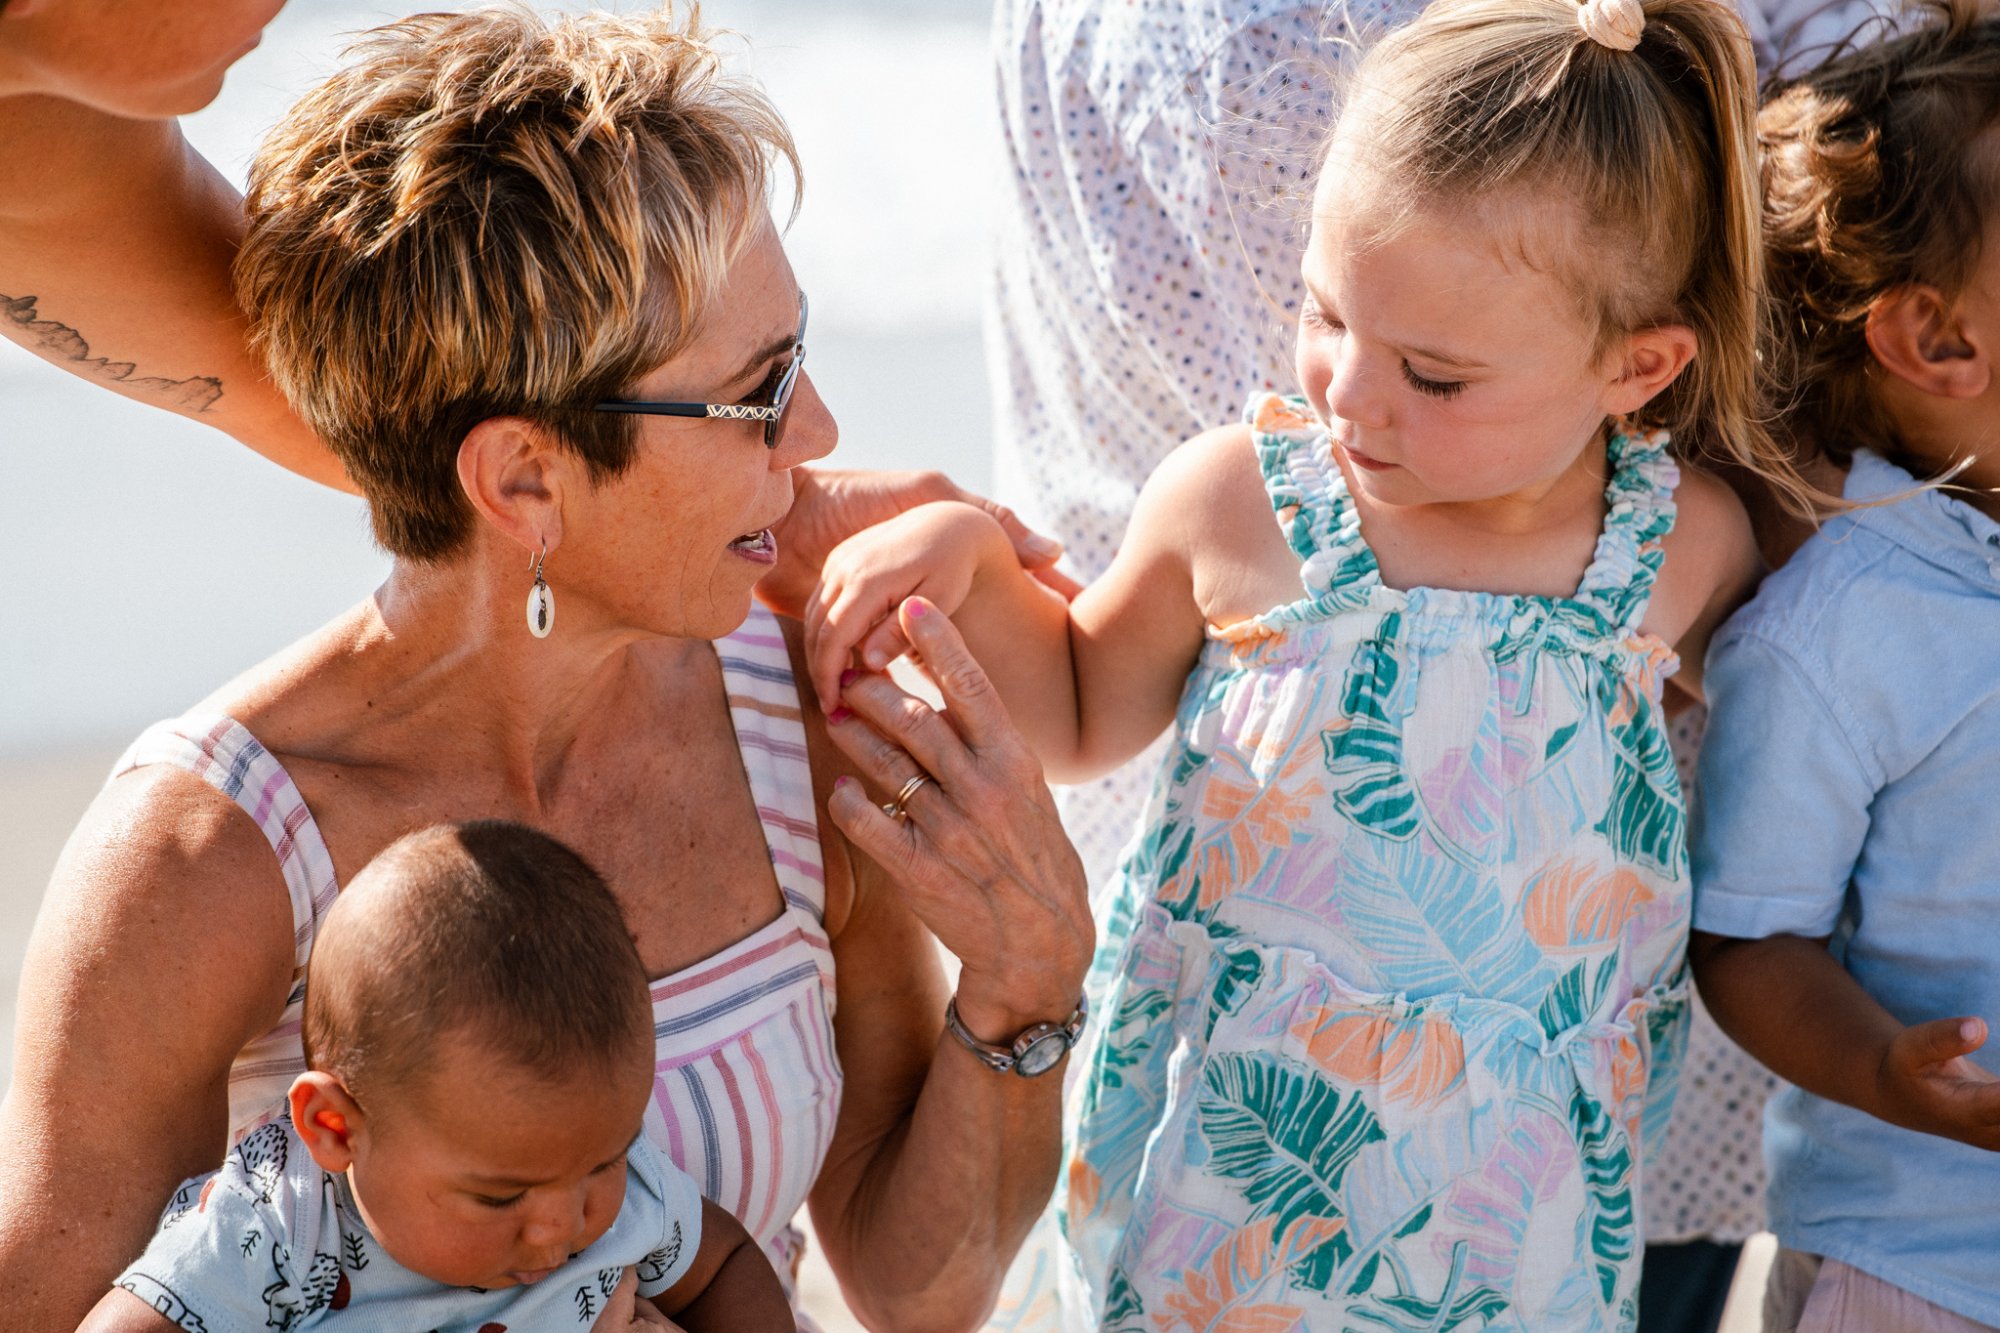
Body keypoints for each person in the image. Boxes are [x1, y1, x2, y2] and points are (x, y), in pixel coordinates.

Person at [0, 9, 1095, 1329]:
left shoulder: (789, 711)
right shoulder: (204, 859)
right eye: (761, 388)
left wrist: (1024, 995)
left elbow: (921, 1292)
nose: (819, 430)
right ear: (525, 476)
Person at [806, 0, 1836, 1318]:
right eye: (1324, 314)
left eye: (1435, 377)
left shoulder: (1682, 550)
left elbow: (1799, 742)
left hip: (1513, 1224)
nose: (1348, 393)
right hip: (1227, 1193)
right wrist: (959, 554)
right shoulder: (1244, 504)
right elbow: (1077, 708)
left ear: (1637, 367)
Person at [1690, 4, 2000, 1327]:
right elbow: (1750, 935)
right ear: (1937, 342)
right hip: (1917, 1265)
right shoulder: (1840, 624)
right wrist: (1884, 1067)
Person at [79, 821, 791, 1333]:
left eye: (601, 1163)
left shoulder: (609, 1175)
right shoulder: (277, 1225)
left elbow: (725, 1262)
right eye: (499, 1195)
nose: (555, 1230)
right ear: (335, 1127)